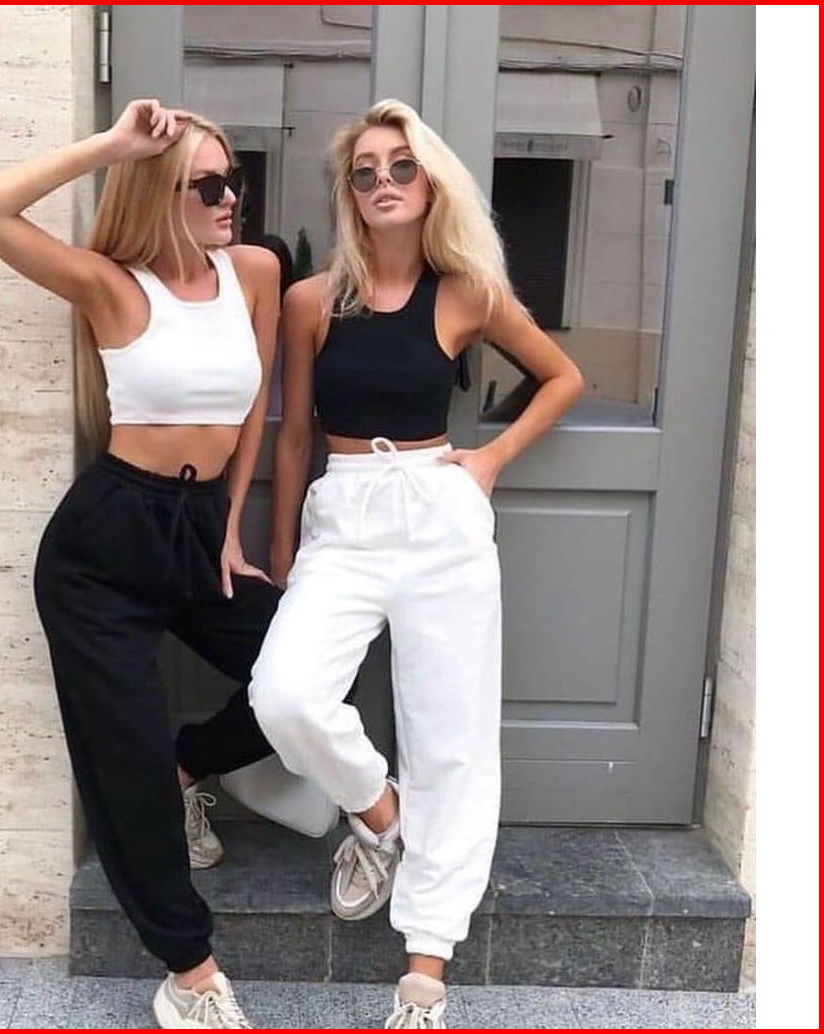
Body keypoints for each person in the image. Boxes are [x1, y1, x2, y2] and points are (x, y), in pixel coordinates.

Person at [248, 99, 584, 1028]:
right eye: (365, 171)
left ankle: (425, 973)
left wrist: (490, 460)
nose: (383, 182)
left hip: (439, 514)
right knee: (284, 694)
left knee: (453, 740)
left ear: (429, 182)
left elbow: (562, 376)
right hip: (346, 516)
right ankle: (382, 817)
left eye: (401, 167)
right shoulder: (313, 300)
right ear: (349, 191)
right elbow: (294, 434)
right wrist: (283, 548)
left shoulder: (467, 290)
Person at [0, 98, 282, 1028]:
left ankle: (193, 768)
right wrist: (113, 145)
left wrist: (230, 525)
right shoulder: (112, 286)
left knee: (303, 666)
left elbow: (254, 405)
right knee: (124, 761)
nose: (231, 200)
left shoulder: (255, 272)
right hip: (105, 545)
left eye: (234, 180)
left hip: (198, 528)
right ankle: (190, 970)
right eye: (208, 185)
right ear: (160, 193)